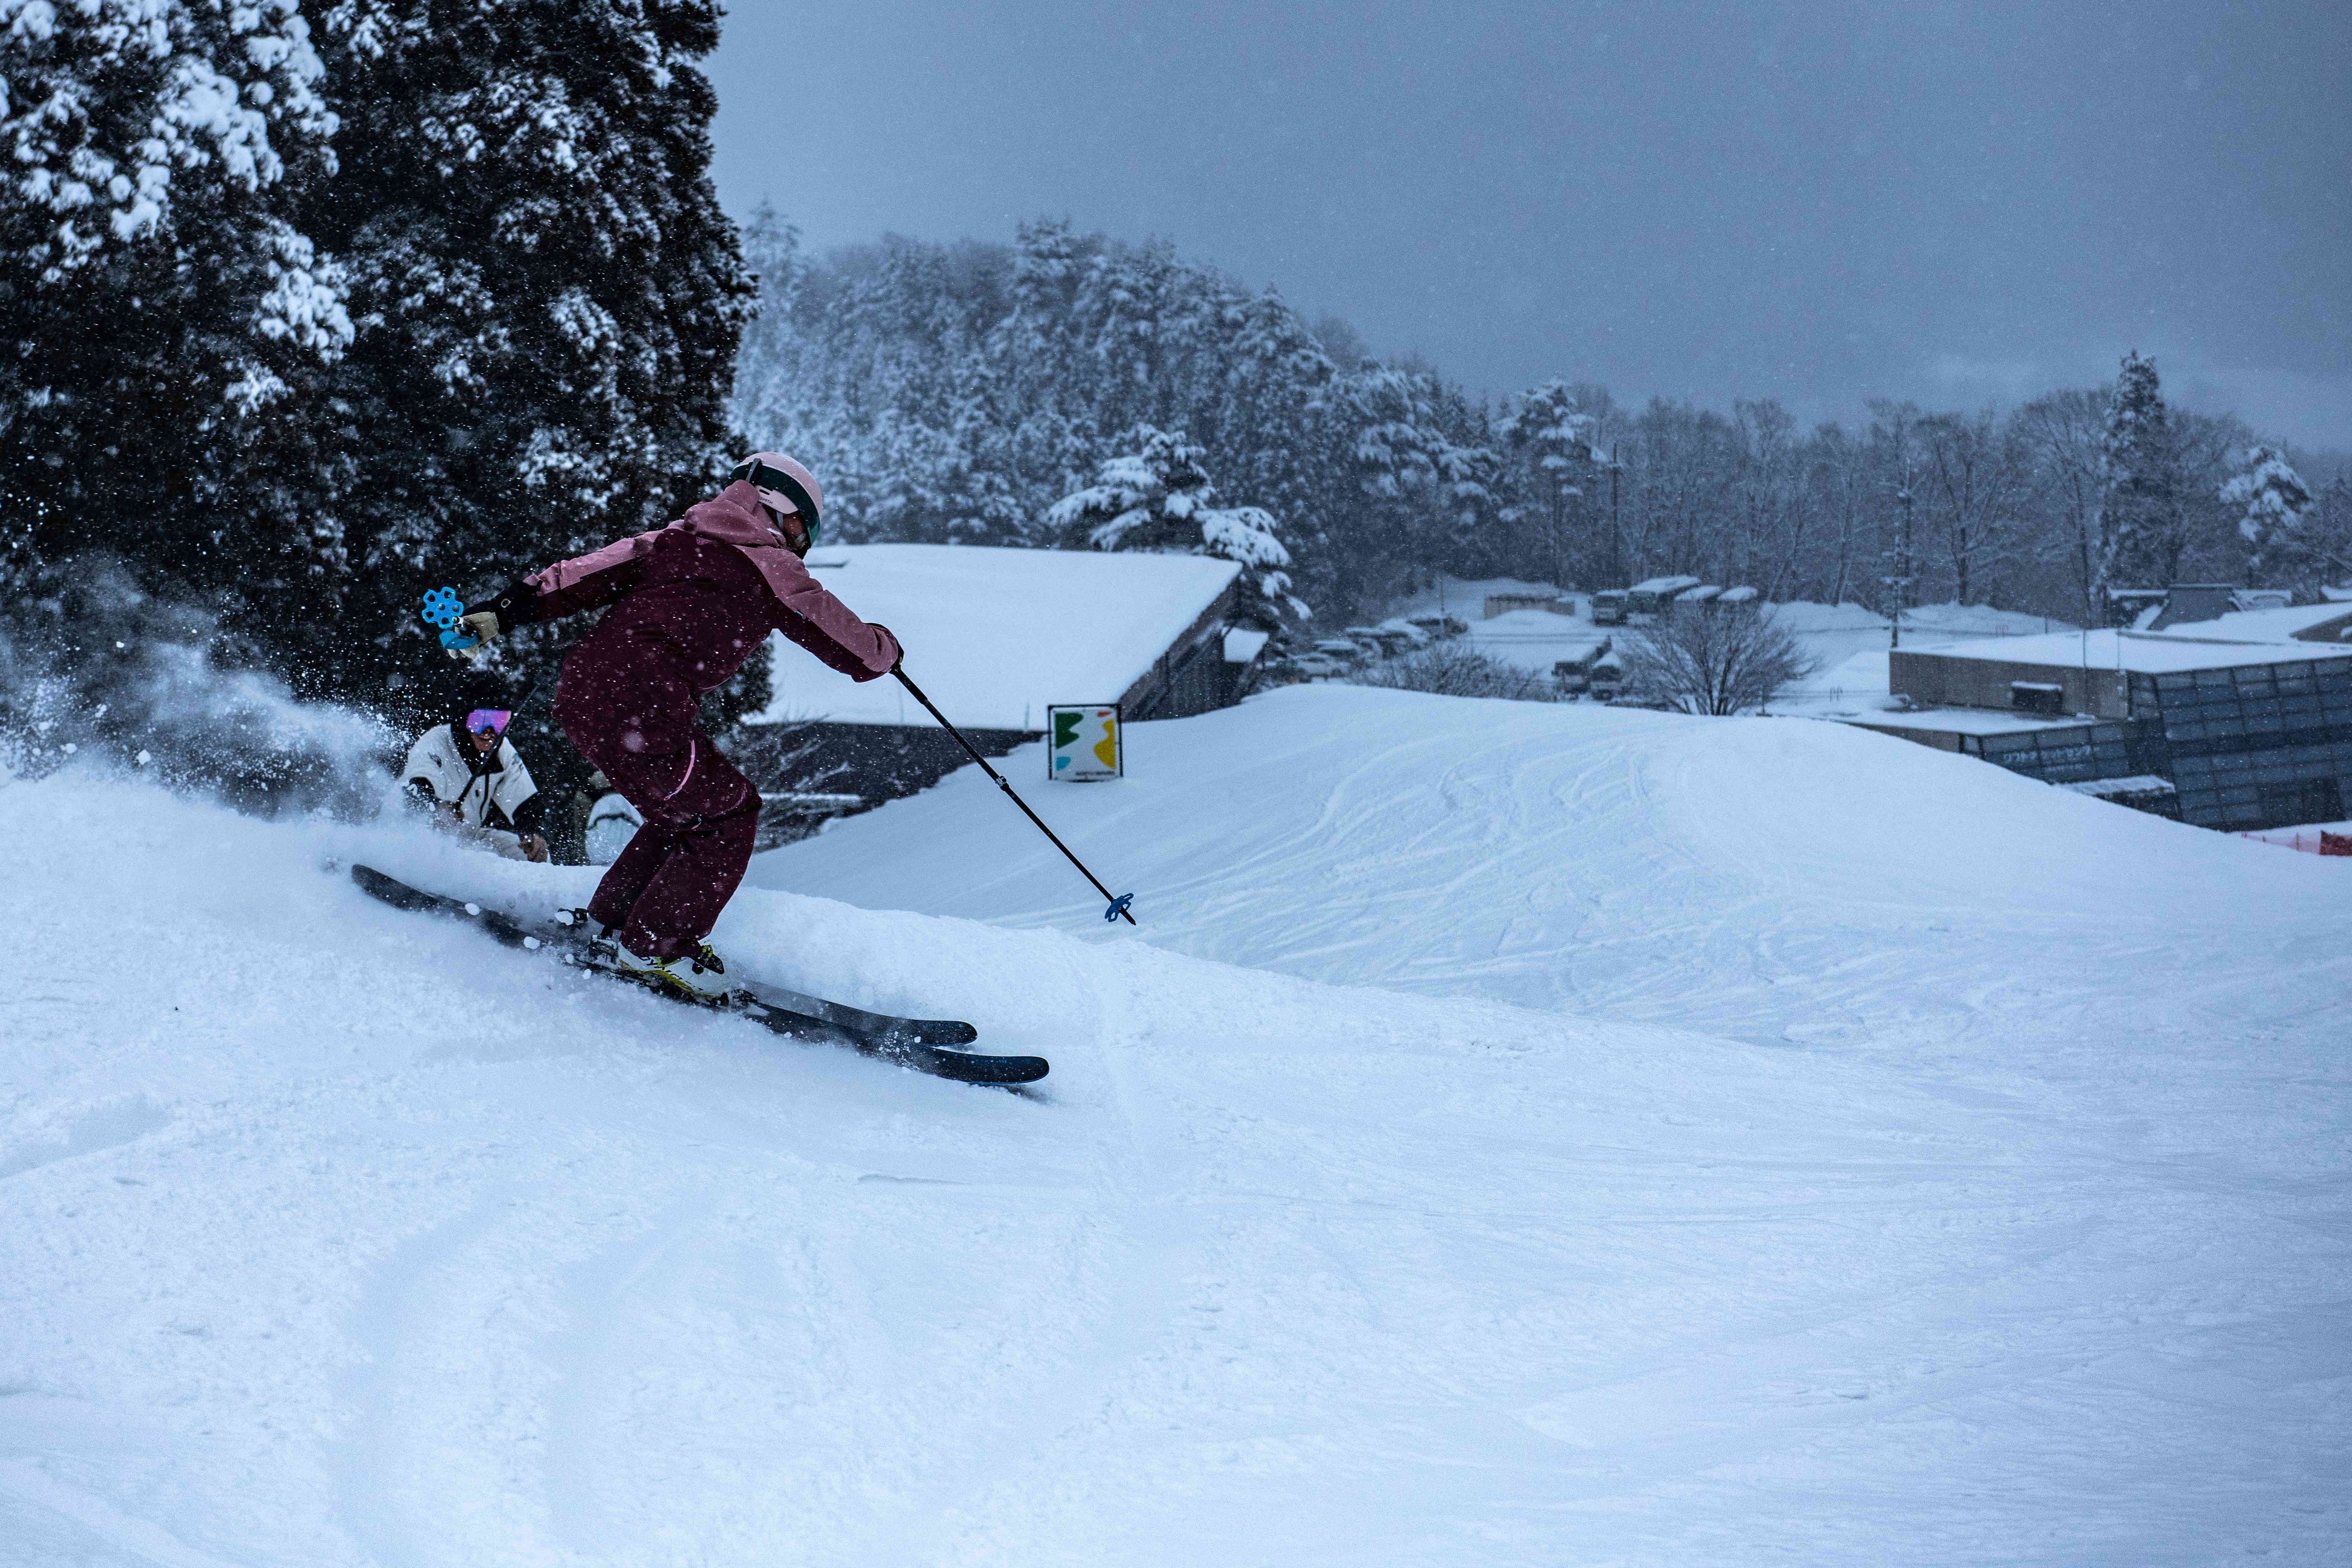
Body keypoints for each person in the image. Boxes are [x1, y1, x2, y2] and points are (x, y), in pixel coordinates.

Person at [455, 453, 899, 997]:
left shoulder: (674, 538)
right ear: (783, 512)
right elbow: (855, 651)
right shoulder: (771, 565)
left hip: (585, 695)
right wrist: (888, 648)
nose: (804, 544)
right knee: (730, 814)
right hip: (643, 707)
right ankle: (657, 947)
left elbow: (585, 574)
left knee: (686, 813)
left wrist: (505, 609)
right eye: (806, 528)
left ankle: (611, 925)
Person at [402, 695, 551, 862]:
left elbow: (525, 802)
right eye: (479, 722)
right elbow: (414, 788)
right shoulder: (436, 742)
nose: (489, 731)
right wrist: (437, 809)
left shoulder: (501, 749)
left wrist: (534, 832)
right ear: (464, 720)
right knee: (442, 852)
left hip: (466, 835)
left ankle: (532, 887)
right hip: (417, 833)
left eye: (499, 722)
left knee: (528, 854)